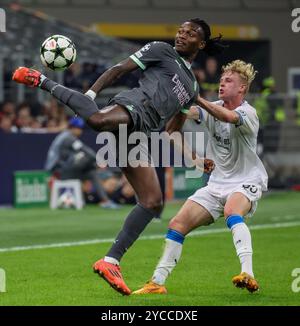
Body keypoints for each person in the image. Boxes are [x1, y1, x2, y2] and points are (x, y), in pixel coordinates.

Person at [12, 18, 224, 295]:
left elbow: (173, 129)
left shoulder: (192, 88)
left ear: (202, 43)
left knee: (152, 202)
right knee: (98, 120)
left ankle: (110, 261)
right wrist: (90, 94)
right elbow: (119, 69)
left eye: (190, 33)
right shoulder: (162, 50)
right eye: (180, 31)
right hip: (133, 107)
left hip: (140, 133)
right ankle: (40, 79)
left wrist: (195, 159)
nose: (182, 36)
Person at [133, 60, 268, 295]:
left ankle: (248, 273)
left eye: (229, 81)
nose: (222, 84)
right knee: (177, 224)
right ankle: (157, 283)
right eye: (222, 80)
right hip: (217, 183)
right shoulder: (210, 107)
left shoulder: (248, 113)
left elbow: (227, 116)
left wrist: (196, 98)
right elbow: (180, 119)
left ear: (242, 88)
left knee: (232, 211)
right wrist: (171, 100)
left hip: (246, 180)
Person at [45, 116, 119, 209]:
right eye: (79, 128)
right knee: (84, 157)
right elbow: (85, 150)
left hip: (65, 170)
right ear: (72, 128)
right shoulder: (68, 138)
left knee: (92, 173)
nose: (81, 131)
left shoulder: (65, 136)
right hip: (59, 172)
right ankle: (97, 168)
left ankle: (105, 201)